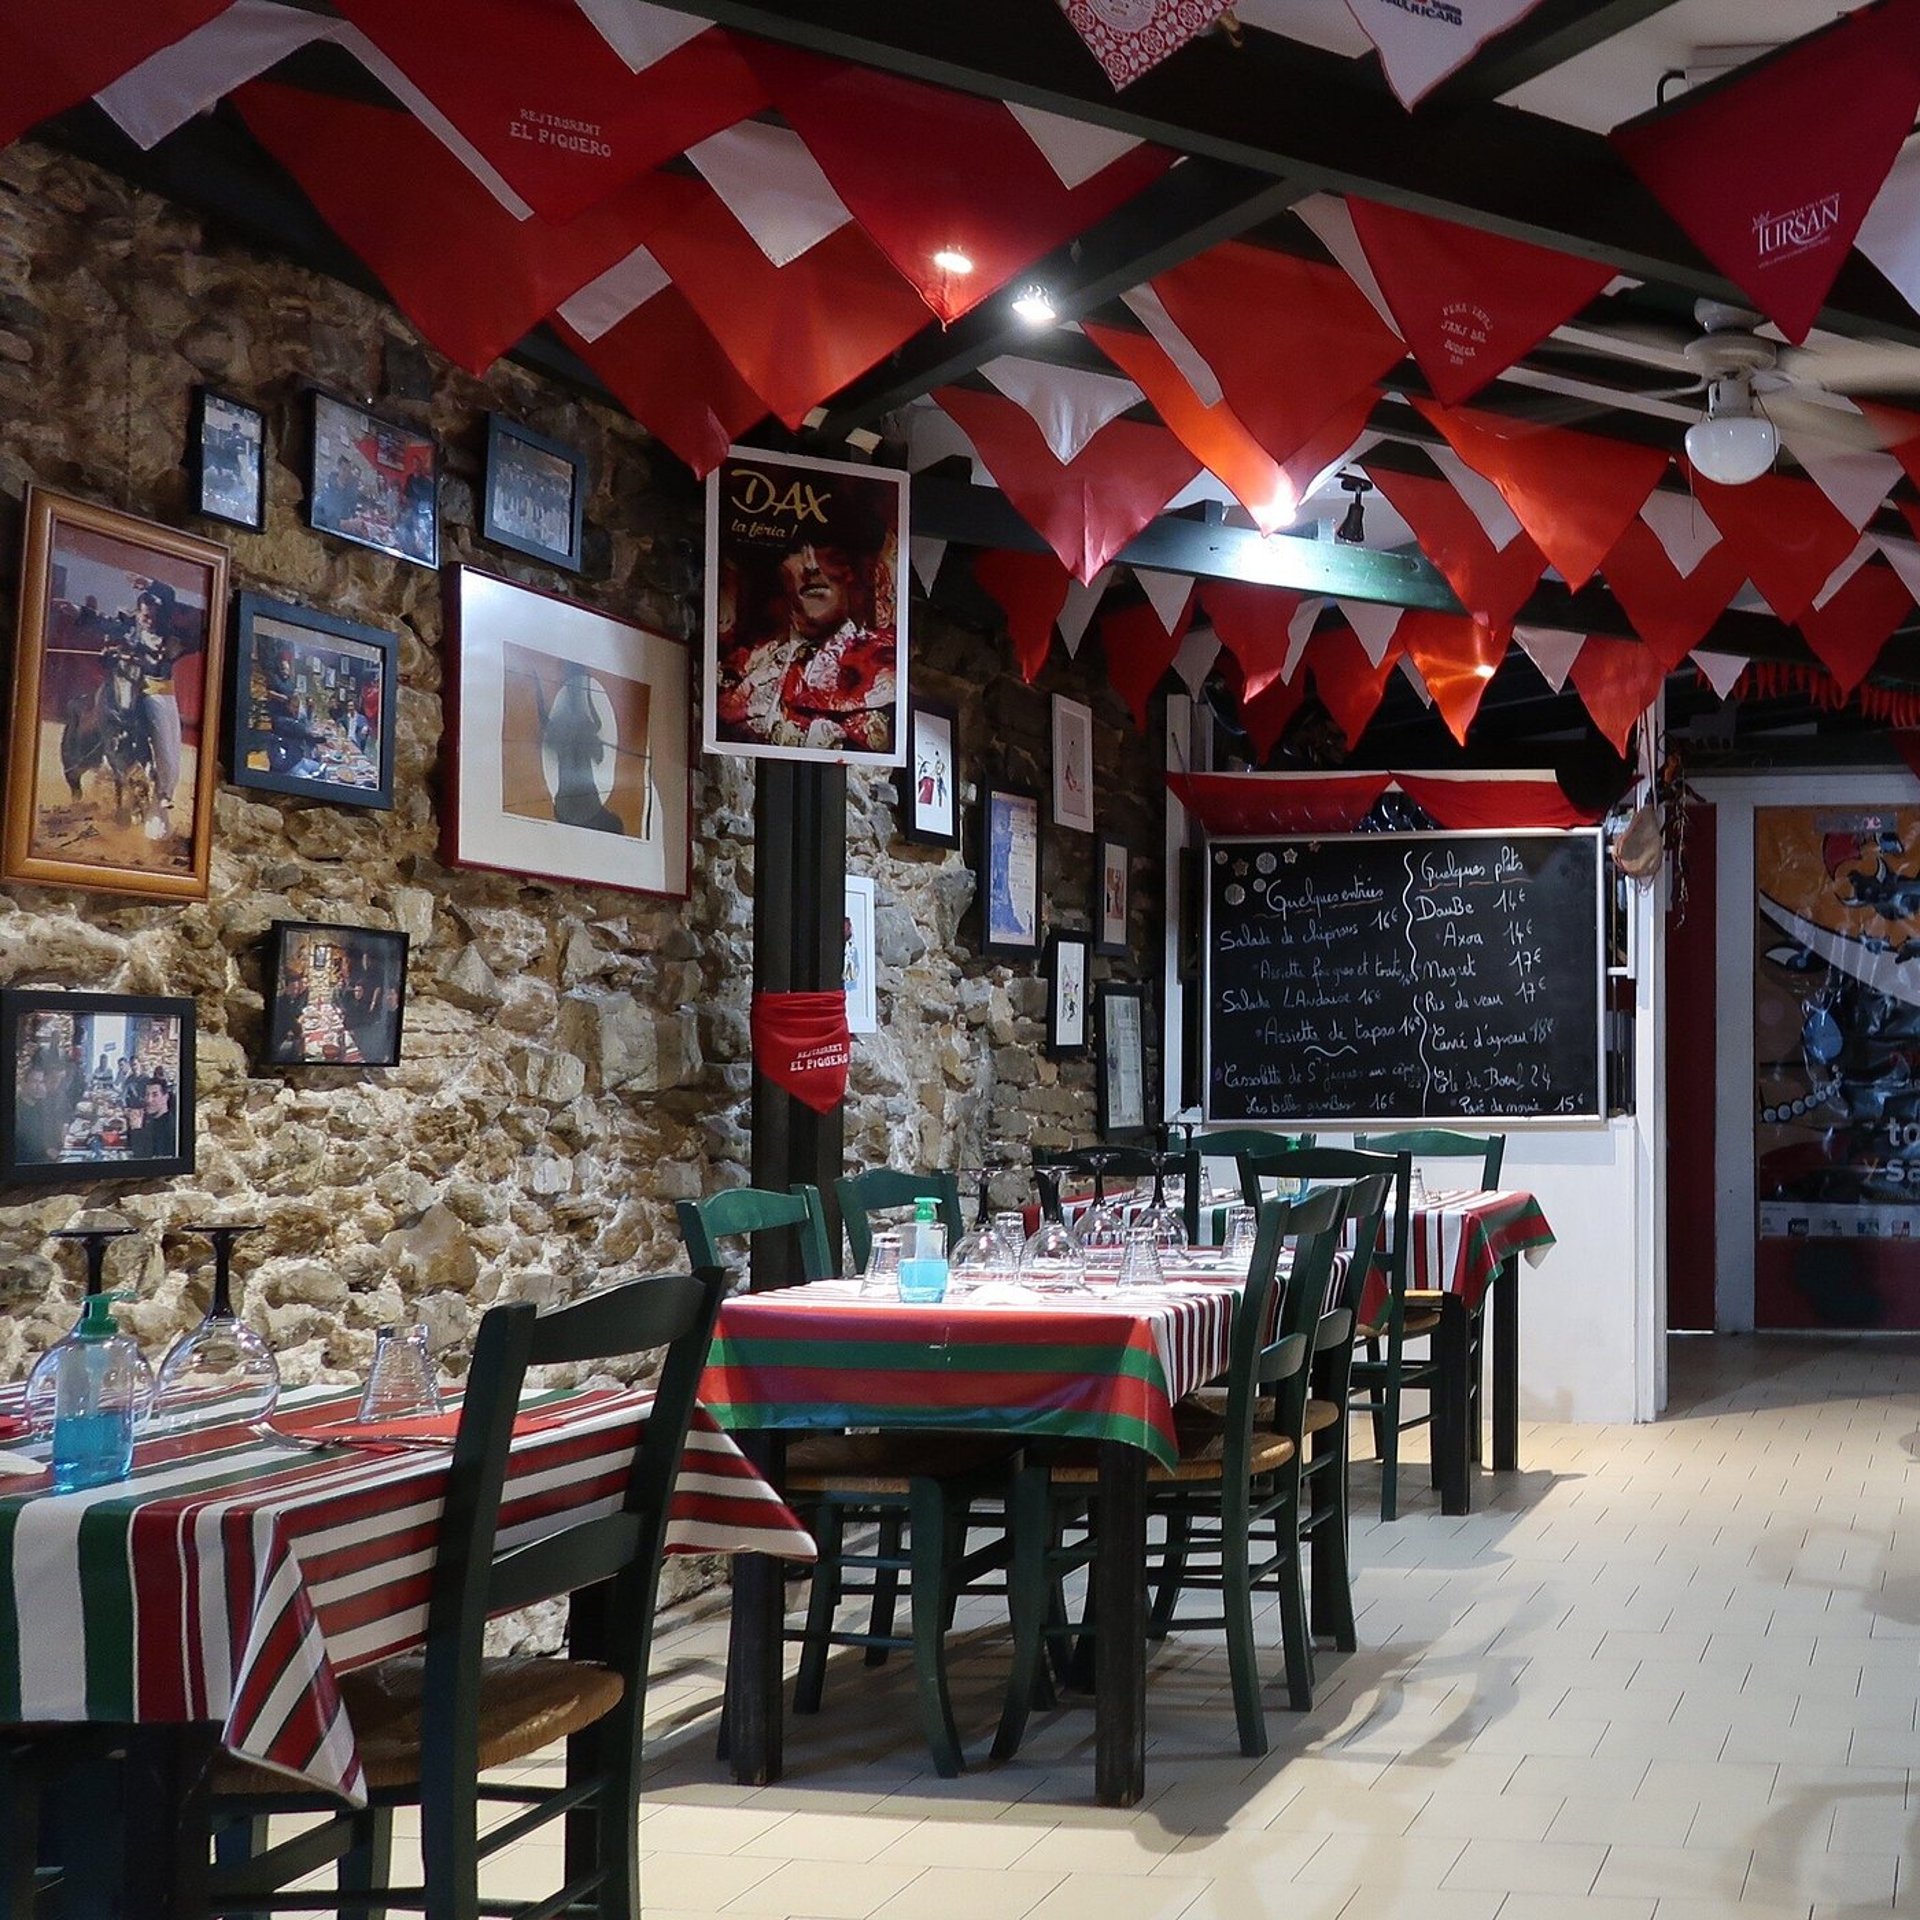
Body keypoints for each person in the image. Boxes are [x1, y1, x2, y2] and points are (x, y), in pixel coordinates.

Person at [714, 497, 896, 755]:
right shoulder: (746, 663)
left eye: (827, 551)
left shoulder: (879, 669)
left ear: (851, 570)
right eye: (795, 551)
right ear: (780, 570)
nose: (811, 566)